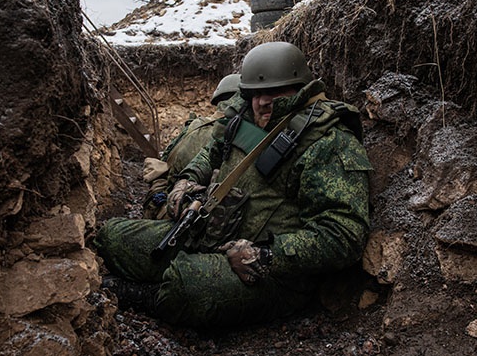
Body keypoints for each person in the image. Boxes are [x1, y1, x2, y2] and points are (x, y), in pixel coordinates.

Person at [92, 42, 372, 327]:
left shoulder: (328, 141)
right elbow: (210, 154)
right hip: (205, 232)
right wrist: (186, 181)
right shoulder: (242, 120)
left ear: (299, 89)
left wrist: (267, 255)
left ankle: (146, 297)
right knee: (112, 238)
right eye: (256, 93)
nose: (263, 101)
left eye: (276, 91)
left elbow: (343, 233)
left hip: (267, 271)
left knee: (185, 288)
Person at [140, 73, 240, 219]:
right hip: (182, 214)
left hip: (160, 201)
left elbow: (166, 157)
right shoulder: (230, 134)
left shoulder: (194, 124)